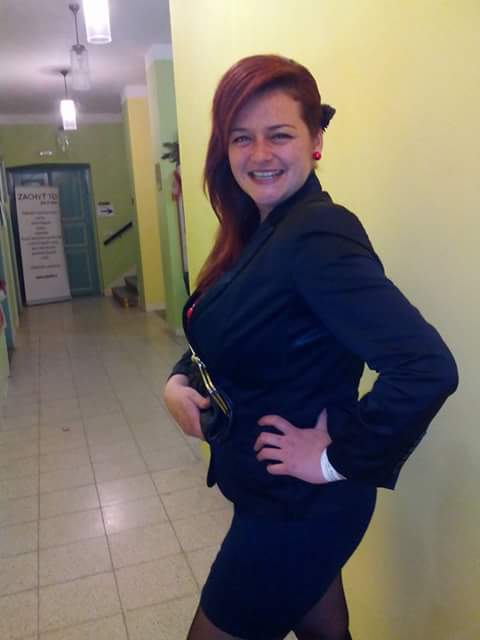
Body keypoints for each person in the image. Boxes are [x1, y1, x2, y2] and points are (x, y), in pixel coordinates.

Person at [164, 54, 458, 640]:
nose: (260, 154)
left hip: (297, 509)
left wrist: (333, 457)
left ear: (316, 140)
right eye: (241, 137)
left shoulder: (318, 235)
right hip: (274, 496)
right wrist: (179, 381)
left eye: (279, 135)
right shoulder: (257, 227)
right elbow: (232, 330)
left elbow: (427, 367)